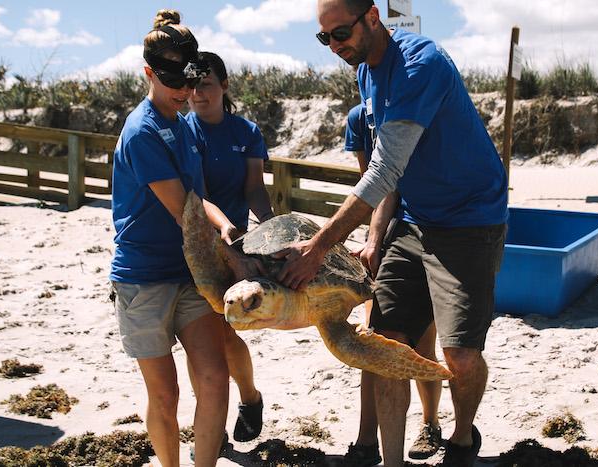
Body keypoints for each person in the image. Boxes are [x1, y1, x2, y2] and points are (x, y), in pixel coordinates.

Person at [275, 1, 508, 466]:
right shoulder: (365, 71)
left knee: (459, 354)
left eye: (341, 33)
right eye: (326, 38)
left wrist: (319, 246)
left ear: (373, 17)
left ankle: (462, 438)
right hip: (413, 220)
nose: (335, 46)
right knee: (383, 344)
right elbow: (390, 180)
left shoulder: (421, 65)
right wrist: (375, 238)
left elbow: (383, 170)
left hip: (469, 222)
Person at [109, 10, 263, 467]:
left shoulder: (181, 124)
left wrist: (227, 228)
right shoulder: (142, 132)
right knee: (166, 394)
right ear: (148, 73)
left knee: (214, 379)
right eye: (173, 80)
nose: (185, 90)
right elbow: (184, 214)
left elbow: (198, 200)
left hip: (190, 274)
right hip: (144, 280)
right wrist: (236, 262)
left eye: (190, 78)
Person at [344, 103, 442, 465]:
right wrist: (374, 242)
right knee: (377, 342)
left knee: (421, 345)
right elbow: (373, 184)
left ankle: (430, 424)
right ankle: (367, 439)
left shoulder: (419, 106)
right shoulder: (358, 120)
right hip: (383, 237)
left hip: (424, 233)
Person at [185, 51, 274, 443]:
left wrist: (272, 232)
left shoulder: (246, 132)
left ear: (224, 85)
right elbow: (194, 196)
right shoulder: (183, 131)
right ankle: (214, 425)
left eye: (205, 84)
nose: (197, 93)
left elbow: (254, 187)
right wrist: (220, 230)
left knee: (224, 334)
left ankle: (250, 398)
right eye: (191, 86)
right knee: (199, 341)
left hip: (236, 245)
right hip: (195, 247)